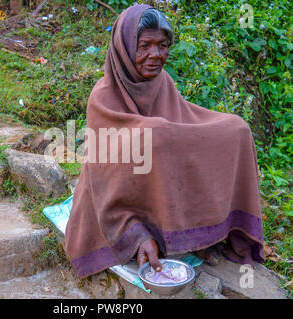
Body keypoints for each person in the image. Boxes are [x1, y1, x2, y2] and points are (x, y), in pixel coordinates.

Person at [64, 4, 265, 279]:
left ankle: (204, 231)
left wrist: (169, 137)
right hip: (114, 194)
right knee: (155, 135)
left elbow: (182, 128)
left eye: (162, 45)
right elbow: (105, 166)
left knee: (237, 129)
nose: (155, 55)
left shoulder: (162, 82)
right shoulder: (103, 96)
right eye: (144, 45)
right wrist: (135, 234)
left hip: (161, 181)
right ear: (124, 48)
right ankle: (149, 231)